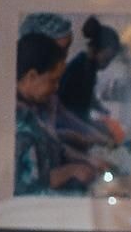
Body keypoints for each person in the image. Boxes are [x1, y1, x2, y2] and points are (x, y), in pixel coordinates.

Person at [12, 35, 98, 196]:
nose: (56, 87)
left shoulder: (32, 111)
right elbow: (26, 187)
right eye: (53, 80)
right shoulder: (18, 122)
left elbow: (49, 147)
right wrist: (70, 171)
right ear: (32, 76)